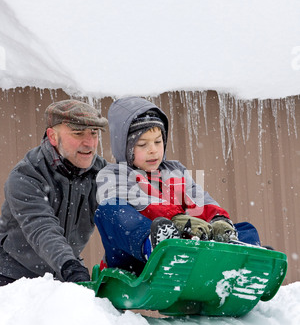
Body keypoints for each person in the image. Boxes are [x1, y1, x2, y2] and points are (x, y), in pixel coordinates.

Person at [95, 97, 261, 275]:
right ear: (124, 148)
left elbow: (198, 200)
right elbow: (141, 203)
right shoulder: (112, 174)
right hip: (134, 258)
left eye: (158, 142)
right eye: (143, 144)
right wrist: (175, 219)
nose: (153, 150)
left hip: (183, 247)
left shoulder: (175, 170)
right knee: (109, 210)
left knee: (245, 228)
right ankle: (155, 245)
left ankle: (241, 256)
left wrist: (218, 219)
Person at [0, 99, 108, 286]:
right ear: (52, 136)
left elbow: (122, 216)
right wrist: (70, 266)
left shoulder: (101, 174)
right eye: (78, 133)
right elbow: (42, 229)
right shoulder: (26, 176)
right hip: (13, 277)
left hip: (62, 275)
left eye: (94, 133)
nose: (90, 143)